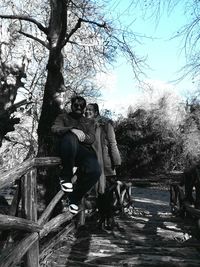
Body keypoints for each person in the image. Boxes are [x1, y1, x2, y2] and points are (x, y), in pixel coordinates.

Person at [51, 96, 101, 214]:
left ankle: (74, 198)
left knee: (95, 171)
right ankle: (66, 177)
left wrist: (79, 134)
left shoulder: (89, 121)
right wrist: (71, 130)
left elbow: (90, 139)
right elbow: (55, 128)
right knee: (70, 136)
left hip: (82, 151)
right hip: (65, 149)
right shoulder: (62, 117)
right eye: (76, 105)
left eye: (82, 105)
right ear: (71, 105)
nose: (79, 107)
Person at [85, 103, 121, 228]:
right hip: (94, 165)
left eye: (90, 110)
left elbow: (112, 143)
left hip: (107, 165)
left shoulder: (106, 124)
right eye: (86, 110)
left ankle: (109, 220)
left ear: (96, 112)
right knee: (100, 195)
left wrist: (116, 161)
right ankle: (102, 220)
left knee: (108, 195)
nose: (87, 112)